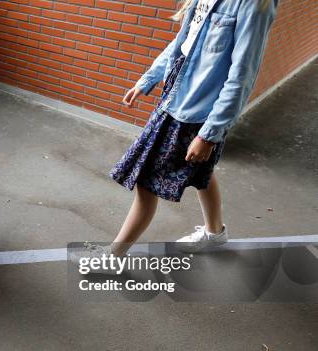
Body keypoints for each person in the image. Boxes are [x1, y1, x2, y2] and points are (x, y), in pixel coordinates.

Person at [110, 0, 278, 255]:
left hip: (198, 110)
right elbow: (183, 43)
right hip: (175, 94)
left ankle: (113, 257)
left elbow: (242, 75)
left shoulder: (253, 4)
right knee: (200, 171)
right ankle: (215, 233)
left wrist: (209, 134)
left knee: (146, 181)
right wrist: (149, 78)